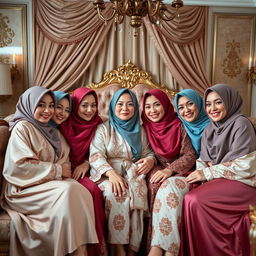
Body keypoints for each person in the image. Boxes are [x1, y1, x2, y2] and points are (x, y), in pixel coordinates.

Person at [1, 86, 98, 256]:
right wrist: (57, 170)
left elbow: (64, 159)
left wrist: (59, 169)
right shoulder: (23, 128)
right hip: (22, 189)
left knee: (81, 191)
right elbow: (19, 167)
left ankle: (79, 249)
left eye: (51, 105)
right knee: (68, 189)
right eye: (41, 105)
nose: (48, 111)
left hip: (46, 183)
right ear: (30, 105)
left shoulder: (52, 131)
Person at [181, 84, 256, 256]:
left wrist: (209, 171)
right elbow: (203, 160)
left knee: (193, 199)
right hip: (221, 181)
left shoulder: (241, 124)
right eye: (208, 104)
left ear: (229, 102)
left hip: (244, 183)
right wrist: (207, 170)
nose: (212, 109)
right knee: (189, 197)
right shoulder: (210, 129)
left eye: (218, 102)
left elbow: (245, 166)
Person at [89, 88, 156, 256]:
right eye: (120, 104)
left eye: (130, 104)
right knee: (117, 192)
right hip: (108, 175)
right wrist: (111, 174)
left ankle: (133, 249)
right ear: (112, 107)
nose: (124, 108)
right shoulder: (104, 129)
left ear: (136, 108)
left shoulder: (141, 130)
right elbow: (96, 155)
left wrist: (150, 160)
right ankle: (118, 249)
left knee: (137, 192)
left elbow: (148, 152)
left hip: (133, 174)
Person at [141, 89, 197, 256]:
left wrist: (170, 169)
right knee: (155, 184)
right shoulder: (145, 127)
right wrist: (153, 163)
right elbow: (145, 153)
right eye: (148, 106)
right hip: (159, 168)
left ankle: (166, 250)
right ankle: (154, 245)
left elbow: (191, 154)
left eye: (157, 104)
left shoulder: (180, 124)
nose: (153, 111)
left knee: (169, 187)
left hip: (184, 171)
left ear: (166, 105)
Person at [58, 87, 106, 256]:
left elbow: (100, 150)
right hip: (63, 171)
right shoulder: (63, 122)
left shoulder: (99, 123)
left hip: (87, 170)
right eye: (84, 105)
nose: (89, 110)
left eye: (93, 105)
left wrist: (86, 163)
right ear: (75, 105)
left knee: (94, 190)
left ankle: (97, 248)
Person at [174, 89, 210, 156]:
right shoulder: (179, 124)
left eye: (190, 104)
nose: (186, 110)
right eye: (181, 108)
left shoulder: (214, 124)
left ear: (198, 103)